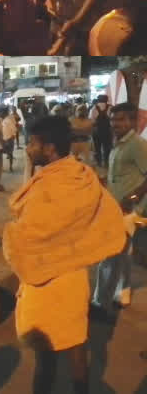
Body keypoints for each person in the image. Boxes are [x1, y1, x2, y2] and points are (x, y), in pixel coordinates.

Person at [3, 115, 125, 394]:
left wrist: (12, 236)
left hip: (45, 279)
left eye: (32, 143)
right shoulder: (82, 175)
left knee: (44, 348)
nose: (28, 148)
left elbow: (27, 234)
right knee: (75, 341)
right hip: (74, 277)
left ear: (49, 149)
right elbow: (108, 216)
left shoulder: (49, 186)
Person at [93, 102, 147, 313]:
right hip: (115, 208)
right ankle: (122, 294)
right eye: (114, 119)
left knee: (108, 255)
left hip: (128, 210)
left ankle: (100, 301)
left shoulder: (137, 145)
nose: (116, 124)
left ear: (132, 121)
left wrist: (132, 197)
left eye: (122, 119)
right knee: (122, 254)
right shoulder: (119, 144)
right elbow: (120, 176)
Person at [91, 95, 114, 169]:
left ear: (98, 100)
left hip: (97, 132)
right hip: (107, 131)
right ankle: (107, 163)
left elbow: (92, 121)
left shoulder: (94, 108)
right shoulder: (110, 108)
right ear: (106, 100)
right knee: (107, 148)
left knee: (97, 148)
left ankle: (99, 163)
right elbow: (113, 120)